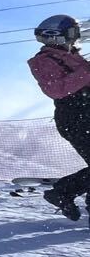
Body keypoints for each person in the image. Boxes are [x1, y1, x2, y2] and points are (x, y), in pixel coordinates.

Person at [28, 14, 90, 220]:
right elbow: (55, 89)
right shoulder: (44, 61)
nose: (75, 38)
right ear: (55, 36)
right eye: (72, 33)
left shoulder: (73, 57)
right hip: (76, 119)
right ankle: (62, 191)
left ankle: (65, 193)